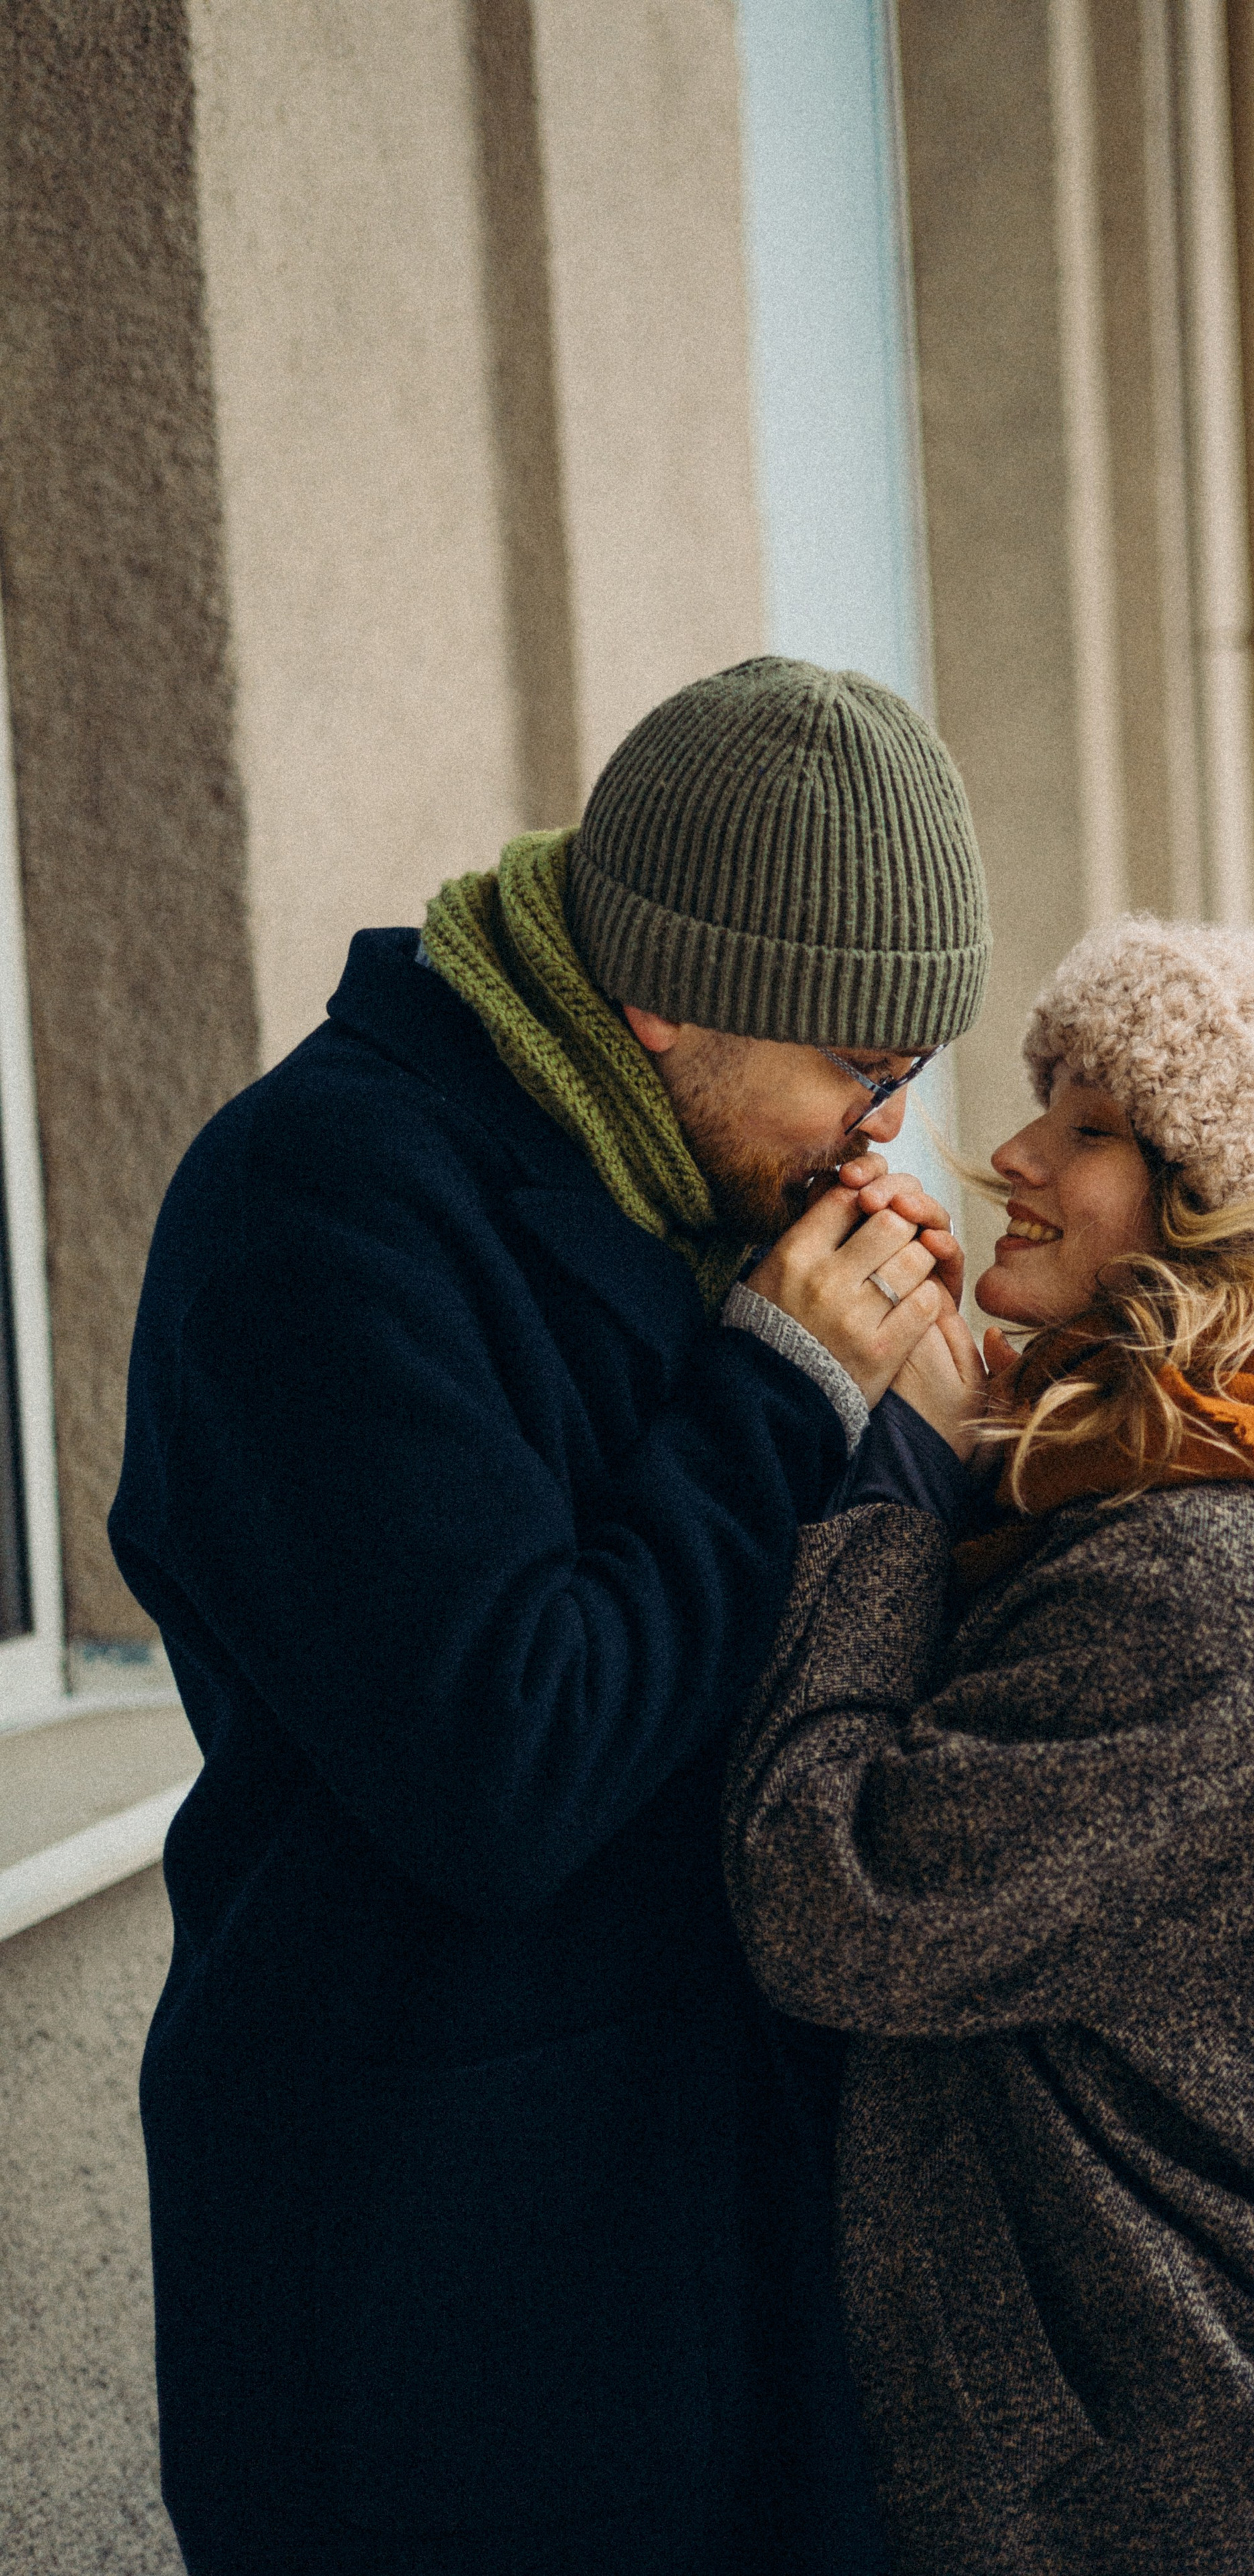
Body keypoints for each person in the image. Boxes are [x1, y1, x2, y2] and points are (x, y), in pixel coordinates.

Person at [108, 657, 992, 2576]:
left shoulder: (667, 1188)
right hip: (442, 2310)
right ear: (660, 994)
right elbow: (506, 1758)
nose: (882, 1137)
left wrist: (935, 1436)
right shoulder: (318, 1205)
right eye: (859, 1069)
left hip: (688, 2262)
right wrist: (777, 1384)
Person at [725, 916, 1254, 2576]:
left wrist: (886, 1506)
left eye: (1091, 1128)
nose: (1009, 1154)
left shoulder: (1213, 1576)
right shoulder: (1177, 1500)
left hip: (1248, 2479)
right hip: (1211, 2449)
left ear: (1230, 1204)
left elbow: (831, 1899)